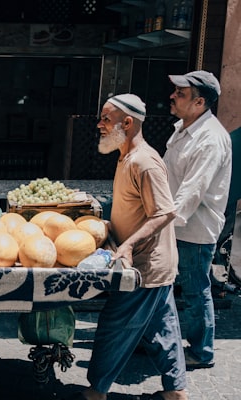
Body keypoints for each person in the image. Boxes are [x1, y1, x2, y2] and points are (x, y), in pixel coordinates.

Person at [72, 94, 187, 400]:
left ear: (127, 123)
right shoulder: (126, 156)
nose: (99, 124)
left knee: (115, 326)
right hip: (150, 265)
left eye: (106, 119)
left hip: (144, 266)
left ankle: (97, 391)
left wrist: (129, 245)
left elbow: (165, 212)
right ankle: (175, 391)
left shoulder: (144, 162)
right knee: (162, 330)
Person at [163, 70, 232, 370]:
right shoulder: (183, 128)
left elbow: (192, 191)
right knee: (163, 287)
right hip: (173, 224)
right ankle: (157, 339)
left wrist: (159, 224)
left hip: (193, 230)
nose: (173, 96)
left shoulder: (211, 139)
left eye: (181, 93)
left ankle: (201, 353)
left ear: (199, 102)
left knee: (194, 291)